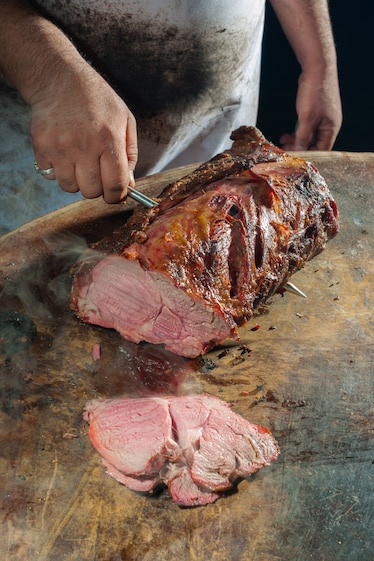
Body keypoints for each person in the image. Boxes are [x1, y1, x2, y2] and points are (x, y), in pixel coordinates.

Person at [0, 0, 342, 235]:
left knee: (214, 235)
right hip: (58, 138)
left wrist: (318, 63)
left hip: (219, 125)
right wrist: (51, 79)